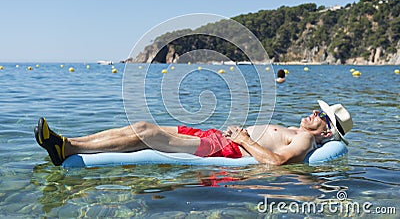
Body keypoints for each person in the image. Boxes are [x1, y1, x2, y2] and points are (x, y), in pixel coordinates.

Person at [34, 100, 353, 166]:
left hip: (221, 148)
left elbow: (277, 162)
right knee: (140, 127)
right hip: (215, 136)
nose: (314, 113)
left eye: (321, 116)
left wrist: (244, 140)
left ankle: (67, 147)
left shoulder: (306, 139)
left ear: (326, 131)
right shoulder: (298, 130)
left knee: (145, 131)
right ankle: (66, 143)